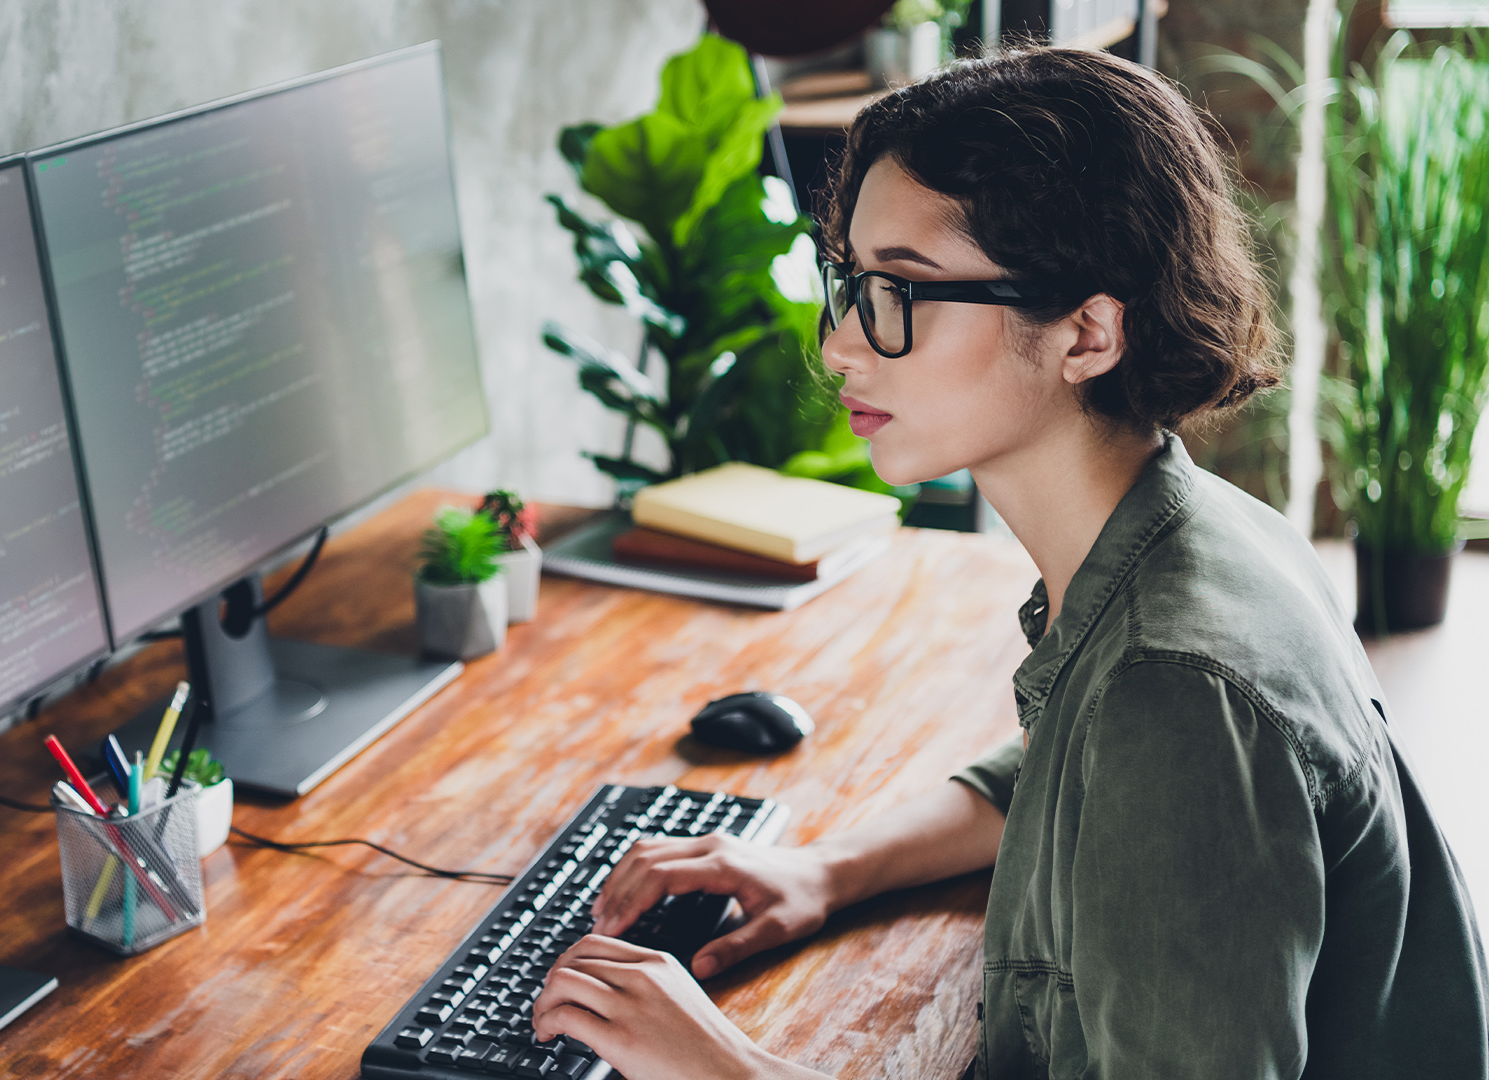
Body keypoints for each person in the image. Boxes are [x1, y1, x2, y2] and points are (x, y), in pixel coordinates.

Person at [530, 46, 1489, 1079]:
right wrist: (822, 869)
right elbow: (1071, 773)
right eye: (850, 281)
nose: (844, 344)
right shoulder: (1204, 532)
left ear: (1087, 333)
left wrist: (728, 1067)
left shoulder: (1175, 688)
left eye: (902, 290)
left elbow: (1155, 757)